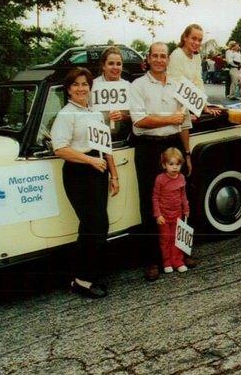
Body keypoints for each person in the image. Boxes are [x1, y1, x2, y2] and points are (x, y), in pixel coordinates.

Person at [50, 67, 119, 298]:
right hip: (78, 174)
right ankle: (81, 280)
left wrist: (114, 174)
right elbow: (60, 149)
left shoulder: (95, 113)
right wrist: (89, 160)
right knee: (91, 225)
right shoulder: (66, 115)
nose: (81, 88)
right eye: (76, 84)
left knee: (100, 225)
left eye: (85, 84)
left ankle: (90, 274)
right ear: (68, 89)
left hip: (98, 172)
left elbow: (105, 145)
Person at [130, 42, 191, 281]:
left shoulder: (177, 85)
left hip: (173, 144)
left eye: (163, 56)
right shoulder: (138, 86)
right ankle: (152, 260)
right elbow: (139, 121)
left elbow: (184, 122)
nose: (159, 60)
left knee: (181, 200)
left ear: (168, 59)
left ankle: (183, 253)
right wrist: (170, 118)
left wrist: (186, 153)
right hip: (148, 148)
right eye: (154, 56)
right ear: (148, 59)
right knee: (150, 204)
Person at [168, 23, 221, 120]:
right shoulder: (176, 55)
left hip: (189, 102)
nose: (197, 43)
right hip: (174, 105)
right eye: (193, 38)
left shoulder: (197, 56)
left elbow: (198, 82)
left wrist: (204, 107)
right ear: (185, 37)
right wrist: (187, 112)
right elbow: (175, 86)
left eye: (199, 40)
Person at [153, 147, 190, 273]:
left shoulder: (181, 178)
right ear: (164, 165)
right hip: (164, 216)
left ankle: (177, 261)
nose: (175, 167)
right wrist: (158, 215)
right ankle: (166, 262)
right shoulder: (160, 179)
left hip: (177, 214)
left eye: (178, 164)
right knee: (165, 239)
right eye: (171, 164)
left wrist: (186, 209)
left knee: (177, 238)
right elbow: (155, 197)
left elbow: (183, 195)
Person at [93, 46, 132, 142]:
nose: (115, 67)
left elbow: (138, 116)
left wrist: (124, 117)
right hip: (97, 139)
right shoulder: (92, 86)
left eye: (118, 64)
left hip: (123, 138)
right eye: (111, 63)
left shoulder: (129, 87)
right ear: (103, 66)